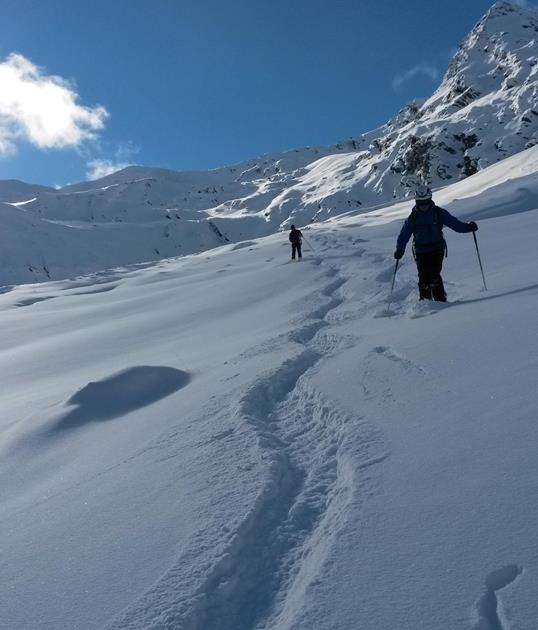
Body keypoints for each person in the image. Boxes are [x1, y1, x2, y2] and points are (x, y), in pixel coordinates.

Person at [394, 185, 478, 301]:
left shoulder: (439, 213)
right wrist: (400, 249)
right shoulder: (413, 218)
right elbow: (404, 235)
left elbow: (454, 224)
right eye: (420, 203)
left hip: (437, 249)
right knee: (423, 277)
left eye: (426, 202)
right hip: (421, 251)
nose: (423, 206)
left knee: (434, 275)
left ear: (430, 200)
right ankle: (425, 303)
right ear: (416, 202)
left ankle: (440, 301)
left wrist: (468, 227)